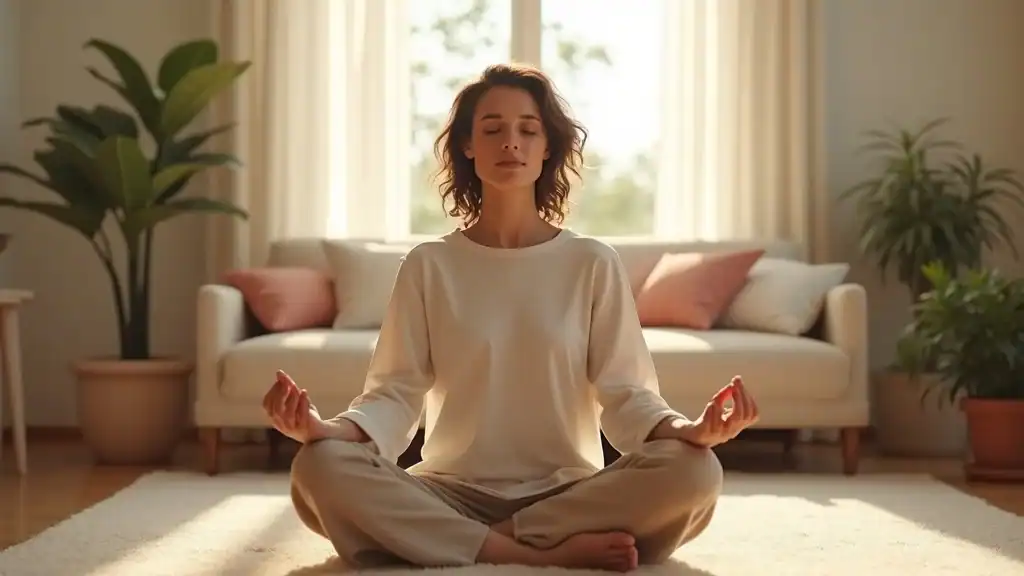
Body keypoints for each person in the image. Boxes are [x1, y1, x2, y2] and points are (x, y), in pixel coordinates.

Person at [262, 63, 760, 572]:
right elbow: (394, 393)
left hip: (571, 495)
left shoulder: (591, 261)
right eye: (493, 129)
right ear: (468, 146)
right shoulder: (429, 265)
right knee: (319, 466)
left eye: (528, 130)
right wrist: (327, 431)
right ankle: (524, 551)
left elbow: (626, 393)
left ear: (548, 149)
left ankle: (462, 543)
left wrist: (688, 430)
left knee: (695, 472)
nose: (511, 143)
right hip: (450, 492)